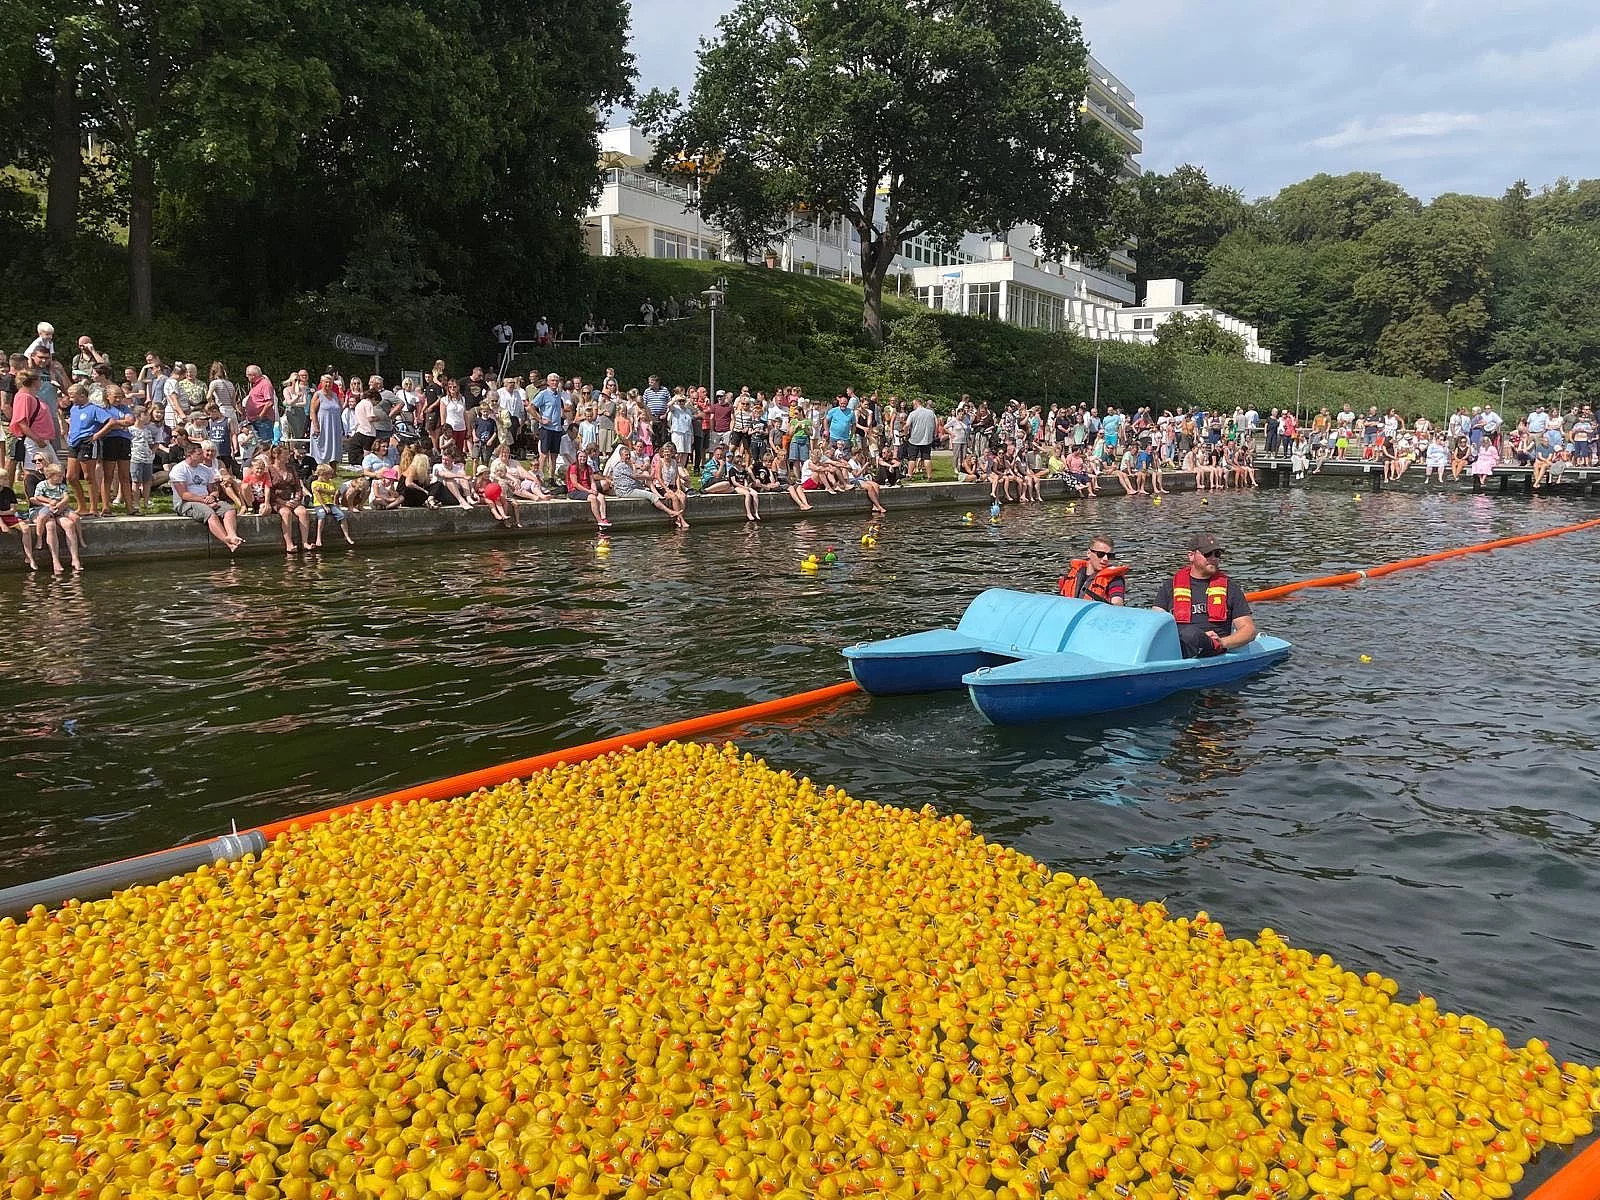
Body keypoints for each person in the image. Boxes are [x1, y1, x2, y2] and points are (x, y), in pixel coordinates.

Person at [1151, 534, 1256, 659]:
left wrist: (1222, 642)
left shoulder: (1231, 588)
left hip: (1211, 649)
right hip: (1178, 646)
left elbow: (1248, 630)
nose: (1213, 558)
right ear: (1191, 556)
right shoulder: (1169, 586)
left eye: (1217, 554)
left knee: (1191, 634)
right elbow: (1154, 623)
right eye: (1207, 554)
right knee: (1186, 634)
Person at [168, 442, 244, 553]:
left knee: (230, 510)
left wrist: (212, 497)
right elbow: (184, 495)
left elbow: (213, 490)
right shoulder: (179, 469)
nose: (203, 456)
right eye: (199, 454)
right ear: (190, 455)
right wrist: (204, 501)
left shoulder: (205, 470)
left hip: (206, 500)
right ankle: (227, 541)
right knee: (210, 513)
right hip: (186, 503)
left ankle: (232, 535)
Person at [1058, 537, 1127, 605]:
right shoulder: (1071, 573)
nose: (1105, 559)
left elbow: (1117, 601)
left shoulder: (1115, 580)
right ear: (1089, 553)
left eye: (1109, 555)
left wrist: (1116, 604)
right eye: (1100, 554)